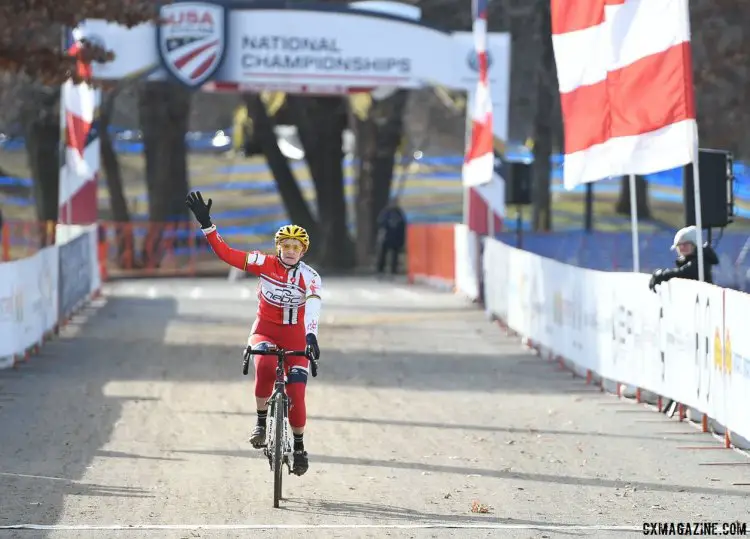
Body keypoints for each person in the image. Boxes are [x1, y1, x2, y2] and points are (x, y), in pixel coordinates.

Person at [186, 191, 322, 476]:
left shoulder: (310, 276)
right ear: (277, 247)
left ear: (303, 251)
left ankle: (298, 447)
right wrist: (207, 225)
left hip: (296, 335)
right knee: (267, 365)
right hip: (265, 331)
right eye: (285, 245)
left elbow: (313, 305)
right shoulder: (263, 263)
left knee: (297, 392)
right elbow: (227, 254)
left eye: (296, 247)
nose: (290, 250)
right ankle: (261, 421)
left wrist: (310, 336)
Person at [648, 225, 719, 291]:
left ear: (695, 245)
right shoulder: (686, 260)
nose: (682, 247)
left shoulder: (701, 260)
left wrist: (662, 274)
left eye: (686, 244)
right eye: (679, 245)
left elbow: (685, 272)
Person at [376, 198, 407, 275]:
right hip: (386, 236)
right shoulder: (386, 212)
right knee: (383, 253)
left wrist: (401, 236)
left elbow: (402, 224)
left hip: (395, 237)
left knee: (395, 254)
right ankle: (381, 269)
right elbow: (381, 223)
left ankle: (394, 269)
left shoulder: (399, 212)